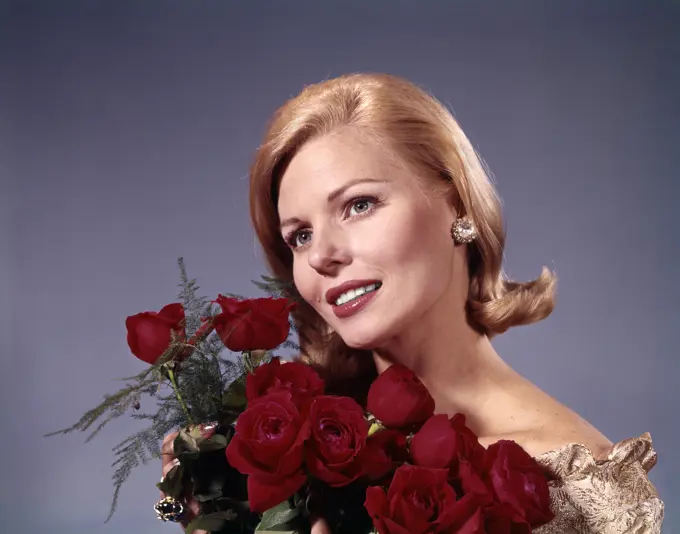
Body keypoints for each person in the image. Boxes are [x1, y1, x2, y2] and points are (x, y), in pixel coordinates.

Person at [160, 73, 664, 533]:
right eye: (300, 236)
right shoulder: (292, 448)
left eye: (359, 205)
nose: (322, 256)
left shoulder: (584, 491)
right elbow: (189, 512)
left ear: (459, 204)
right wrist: (198, 509)